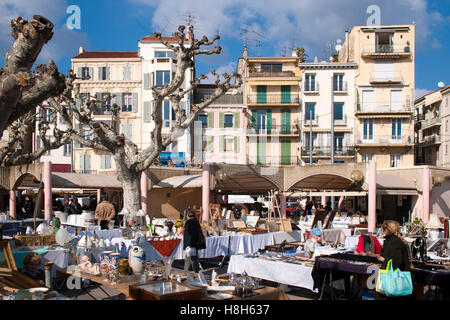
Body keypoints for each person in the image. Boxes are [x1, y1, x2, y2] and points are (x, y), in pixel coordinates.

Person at [376, 220, 415, 299]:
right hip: (396, 278)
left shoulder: (394, 242)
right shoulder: (395, 241)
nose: (384, 232)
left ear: (388, 230)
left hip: (394, 280)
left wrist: (384, 260)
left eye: (384, 230)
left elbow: (397, 260)